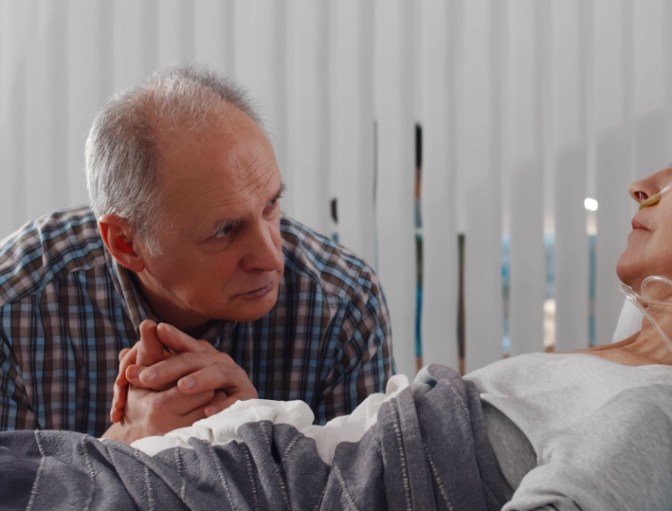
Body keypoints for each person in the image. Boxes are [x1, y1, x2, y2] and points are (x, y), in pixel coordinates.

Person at [3, 79, 672, 511]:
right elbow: (347, 471)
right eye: (224, 230)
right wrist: (172, 432)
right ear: (129, 244)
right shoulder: (613, 371)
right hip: (206, 491)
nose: (645, 183)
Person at [0, 66, 395, 438]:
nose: (272, 259)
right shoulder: (14, 310)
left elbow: (362, 508)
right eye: (224, 231)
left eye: (271, 206)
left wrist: (262, 439)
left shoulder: (342, 305)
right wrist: (123, 446)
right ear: (126, 243)